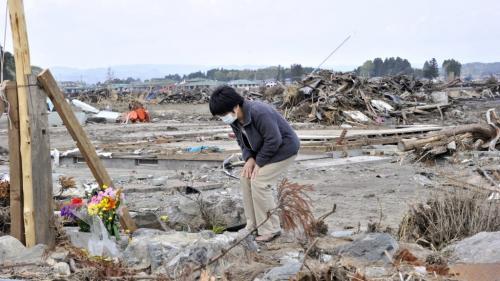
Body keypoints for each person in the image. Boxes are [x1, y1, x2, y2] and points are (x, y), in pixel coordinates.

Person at [209, 86, 300, 242]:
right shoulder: (235, 119)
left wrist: (259, 162)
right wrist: (249, 158)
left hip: (284, 149)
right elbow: (242, 142)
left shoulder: (259, 112)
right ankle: (252, 225)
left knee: (260, 182)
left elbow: (274, 140)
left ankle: (271, 228)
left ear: (236, 107)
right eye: (220, 116)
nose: (224, 118)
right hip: (263, 151)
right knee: (246, 177)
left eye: (224, 114)